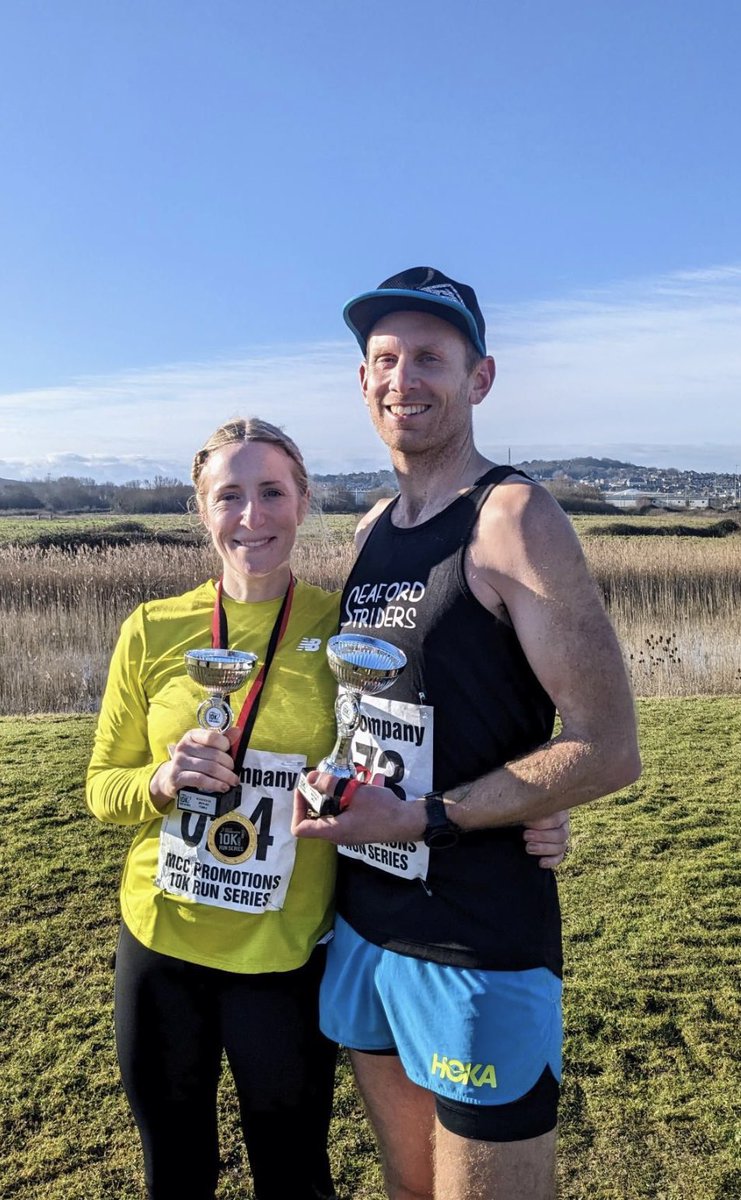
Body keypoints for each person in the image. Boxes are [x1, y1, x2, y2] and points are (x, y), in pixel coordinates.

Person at [293, 267, 642, 1200]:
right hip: (366, 925)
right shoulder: (371, 527)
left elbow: (607, 745)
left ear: (479, 378)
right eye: (384, 359)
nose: (403, 377)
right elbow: (382, 708)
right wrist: (329, 781)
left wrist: (436, 816)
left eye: (431, 358)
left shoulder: (513, 517)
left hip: (476, 941)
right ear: (362, 382)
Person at [86, 418, 341, 1200]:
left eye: (271, 492)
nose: (251, 516)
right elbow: (102, 788)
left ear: (303, 502)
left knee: (293, 1172)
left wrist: (519, 809)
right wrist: (162, 782)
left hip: (282, 952)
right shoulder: (154, 627)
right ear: (202, 510)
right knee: (176, 1170)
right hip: (160, 941)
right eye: (229, 495)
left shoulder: (344, 629)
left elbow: (413, 754)